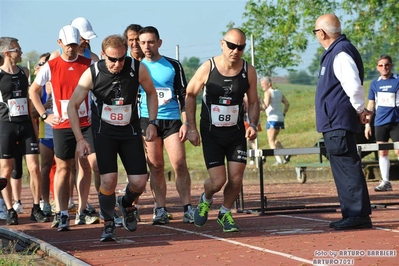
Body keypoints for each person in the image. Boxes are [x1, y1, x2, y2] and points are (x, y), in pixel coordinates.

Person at [67, 34, 158, 241]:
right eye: (112, 59)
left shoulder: (137, 68)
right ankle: (108, 224)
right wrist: (80, 139)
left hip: (130, 131)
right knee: (108, 180)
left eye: (121, 58)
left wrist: (151, 122)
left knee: (139, 182)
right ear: (102, 55)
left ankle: (126, 203)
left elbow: (151, 93)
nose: (118, 64)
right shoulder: (93, 73)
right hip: (103, 133)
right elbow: (72, 105)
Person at [185, 28, 259, 232]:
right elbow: (190, 94)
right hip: (211, 133)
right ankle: (205, 198)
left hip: (235, 133)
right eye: (231, 46)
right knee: (218, 181)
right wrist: (191, 126)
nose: (235, 51)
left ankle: (225, 212)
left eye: (241, 47)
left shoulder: (248, 70)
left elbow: (253, 101)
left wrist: (252, 124)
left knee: (236, 178)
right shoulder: (208, 67)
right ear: (222, 44)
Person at [29, 25, 99, 231]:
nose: (71, 49)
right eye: (68, 45)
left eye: (75, 45)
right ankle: (62, 213)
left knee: (86, 165)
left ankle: (82, 210)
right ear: (59, 43)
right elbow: (33, 90)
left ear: (80, 44)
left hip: (85, 122)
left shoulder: (89, 63)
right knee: (63, 167)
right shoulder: (51, 65)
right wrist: (44, 115)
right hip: (61, 124)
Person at [314, 14, 372, 230]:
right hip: (335, 121)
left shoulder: (339, 52)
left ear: (322, 33)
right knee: (343, 167)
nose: (316, 36)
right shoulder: (337, 51)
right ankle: (352, 212)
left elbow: (353, 85)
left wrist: (360, 109)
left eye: (316, 31)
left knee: (347, 167)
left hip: (338, 121)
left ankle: (357, 214)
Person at [138, 26, 195, 225]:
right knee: (156, 166)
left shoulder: (173, 65)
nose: (147, 46)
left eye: (151, 42)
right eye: (143, 42)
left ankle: (188, 207)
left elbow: (183, 95)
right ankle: (160, 208)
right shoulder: (136, 67)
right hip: (147, 121)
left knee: (179, 163)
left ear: (159, 43)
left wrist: (186, 123)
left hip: (172, 120)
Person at [0, 37, 49, 225]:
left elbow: (29, 104)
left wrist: (34, 128)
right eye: (17, 50)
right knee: (6, 170)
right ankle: (10, 209)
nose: (20, 52)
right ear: (6, 53)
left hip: (25, 124)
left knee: (34, 168)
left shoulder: (25, 72)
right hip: (6, 125)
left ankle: (36, 207)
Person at [365, 55, 399, 192]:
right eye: (381, 65)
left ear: (391, 65)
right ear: (377, 68)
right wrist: (367, 124)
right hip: (380, 122)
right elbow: (371, 105)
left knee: (398, 151)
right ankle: (386, 181)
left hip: (396, 122)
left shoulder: (397, 80)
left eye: (386, 65)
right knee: (382, 152)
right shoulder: (375, 83)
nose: (384, 67)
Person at [30, 52, 54, 216]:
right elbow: (32, 113)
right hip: (47, 132)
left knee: (68, 168)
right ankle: (45, 202)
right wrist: (45, 106)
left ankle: (67, 201)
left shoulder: (62, 78)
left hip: (64, 128)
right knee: (45, 167)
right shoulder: (40, 87)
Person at [261, 76, 290, 165]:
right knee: (274, 140)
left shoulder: (268, 92)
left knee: (270, 140)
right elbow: (287, 104)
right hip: (280, 118)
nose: (262, 87)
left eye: (263, 84)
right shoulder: (279, 92)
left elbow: (265, 105)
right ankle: (286, 154)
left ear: (269, 84)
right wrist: (283, 113)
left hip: (272, 119)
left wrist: (258, 107)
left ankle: (278, 160)